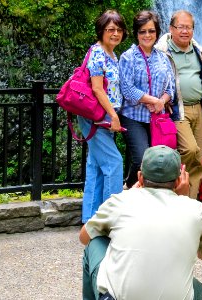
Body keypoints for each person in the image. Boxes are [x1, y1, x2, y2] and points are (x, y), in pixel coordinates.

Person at [79, 145, 202, 300]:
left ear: (140, 177)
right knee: (195, 287)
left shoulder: (121, 202)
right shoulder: (196, 209)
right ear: (179, 180)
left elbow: (84, 237)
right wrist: (184, 198)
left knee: (94, 241)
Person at [154, 10, 202, 199]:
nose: (185, 31)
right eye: (181, 27)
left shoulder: (198, 50)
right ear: (171, 28)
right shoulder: (162, 51)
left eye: (189, 27)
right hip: (178, 109)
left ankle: (189, 203)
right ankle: (172, 192)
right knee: (190, 150)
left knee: (198, 156)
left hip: (200, 109)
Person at [79, 10, 127, 223]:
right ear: (101, 31)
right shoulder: (98, 52)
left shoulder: (111, 53)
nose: (115, 33)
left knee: (96, 166)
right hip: (97, 116)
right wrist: (113, 115)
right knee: (114, 162)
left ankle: (90, 220)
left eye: (118, 29)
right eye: (110, 29)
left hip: (102, 116)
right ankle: (111, 219)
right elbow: (98, 89)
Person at [119, 10, 175, 189]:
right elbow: (127, 89)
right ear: (136, 33)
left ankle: (149, 198)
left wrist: (162, 101)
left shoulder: (163, 57)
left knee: (158, 162)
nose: (147, 35)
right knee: (142, 158)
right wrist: (154, 100)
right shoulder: (128, 57)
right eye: (142, 31)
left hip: (158, 117)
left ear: (157, 32)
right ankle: (129, 188)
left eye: (151, 31)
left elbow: (171, 88)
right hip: (134, 116)